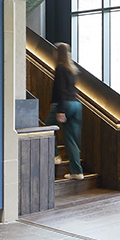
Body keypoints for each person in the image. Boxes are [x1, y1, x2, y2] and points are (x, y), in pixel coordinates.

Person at [45, 43, 83, 180]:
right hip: (76, 105)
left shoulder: (60, 67)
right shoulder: (72, 69)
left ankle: (55, 155)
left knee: (47, 127)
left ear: (57, 53)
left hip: (65, 104)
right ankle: (76, 171)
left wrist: (59, 109)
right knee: (71, 139)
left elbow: (60, 89)